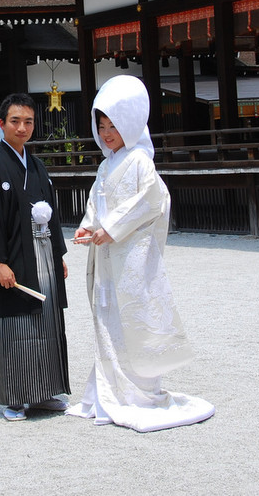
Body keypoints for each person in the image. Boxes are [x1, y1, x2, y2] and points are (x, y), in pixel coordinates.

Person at [67, 75, 214, 432]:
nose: (106, 133)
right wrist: (88, 224)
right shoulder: (106, 165)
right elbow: (96, 203)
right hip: (106, 256)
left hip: (130, 258)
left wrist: (111, 229)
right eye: (101, 126)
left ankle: (138, 392)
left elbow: (150, 201)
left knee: (131, 322)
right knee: (107, 321)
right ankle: (108, 392)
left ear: (130, 124)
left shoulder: (140, 162)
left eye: (113, 126)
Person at [0, 92, 70, 421]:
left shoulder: (38, 165)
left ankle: (45, 392)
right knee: (18, 324)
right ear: (2, 125)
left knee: (47, 320)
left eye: (28, 121)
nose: (22, 127)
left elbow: (54, 215)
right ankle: (16, 398)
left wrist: (58, 254)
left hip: (43, 252)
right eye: (15, 121)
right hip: (14, 257)